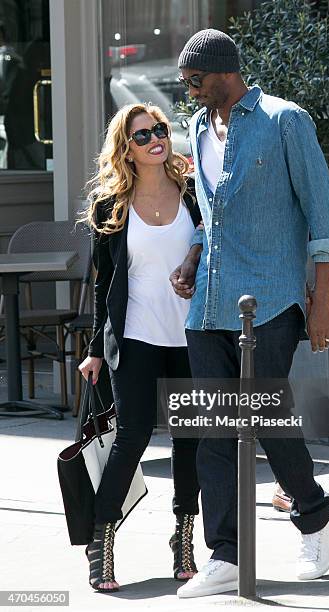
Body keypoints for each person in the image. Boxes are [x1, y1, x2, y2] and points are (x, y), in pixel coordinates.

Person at [170, 29, 329, 599]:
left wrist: (322, 303)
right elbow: (209, 213)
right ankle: (227, 555)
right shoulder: (197, 129)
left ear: (221, 71)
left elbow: (323, 215)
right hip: (210, 301)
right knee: (215, 428)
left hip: (270, 296)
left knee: (266, 416)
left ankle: (315, 517)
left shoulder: (284, 120)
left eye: (193, 79)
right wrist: (193, 257)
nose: (189, 90)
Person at [78, 103, 201, 592]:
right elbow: (103, 284)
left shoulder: (192, 194)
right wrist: (93, 348)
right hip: (135, 337)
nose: (156, 139)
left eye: (161, 131)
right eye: (143, 134)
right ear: (125, 147)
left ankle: (184, 537)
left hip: (190, 335)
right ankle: (101, 538)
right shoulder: (110, 206)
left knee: (190, 439)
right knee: (132, 438)